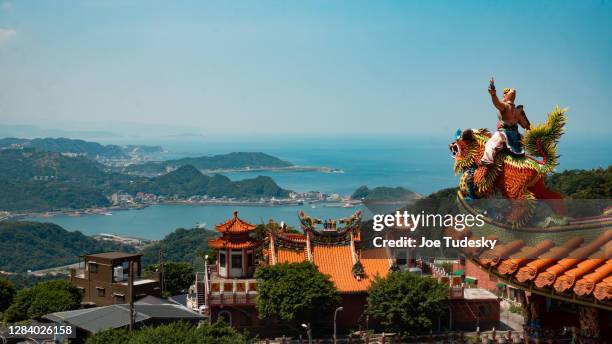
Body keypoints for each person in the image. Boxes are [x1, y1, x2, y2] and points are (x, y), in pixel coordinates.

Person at [480, 78, 531, 166]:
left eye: (504, 95)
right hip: (517, 136)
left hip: (504, 134)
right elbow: (526, 125)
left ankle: (487, 160)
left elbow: (496, 102)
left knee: (490, 144)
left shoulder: (505, 106)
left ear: (505, 96)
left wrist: (493, 93)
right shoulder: (518, 111)